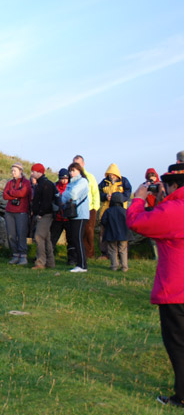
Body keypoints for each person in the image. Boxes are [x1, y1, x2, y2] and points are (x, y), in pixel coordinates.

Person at [125, 162, 184, 408]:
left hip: (176, 288)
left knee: (179, 345)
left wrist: (138, 199)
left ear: (172, 185)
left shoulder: (175, 208)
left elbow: (139, 223)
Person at [98, 163, 132, 259]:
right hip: (106, 211)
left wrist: (117, 199)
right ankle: (105, 254)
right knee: (104, 233)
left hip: (121, 212)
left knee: (122, 234)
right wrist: (105, 196)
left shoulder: (124, 181)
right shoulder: (103, 182)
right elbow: (98, 193)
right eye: (109, 174)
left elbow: (127, 194)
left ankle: (122, 255)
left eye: (112, 174)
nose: (111, 176)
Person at [61, 162, 90, 273]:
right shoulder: (72, 183)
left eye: (74, 170)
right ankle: (80, 264)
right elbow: (65, 197)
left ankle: (82, 265)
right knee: (74, 239)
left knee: (78, 239)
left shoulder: (82, 181)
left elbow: (72, 194)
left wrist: (67, 195)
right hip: (73, 214)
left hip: (81, 214)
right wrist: (67, 196)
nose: (71, 173)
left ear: (79, 171)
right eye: (70, 170)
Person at [3, 162, 32, 265]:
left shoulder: (26, 183)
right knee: (11, 234)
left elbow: (23, 193)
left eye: (14, 170)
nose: (12, 173)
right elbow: (5, 195)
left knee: (21, 234)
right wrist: (15, 195)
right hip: (9, 212)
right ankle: (15, 255)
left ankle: (23, 256)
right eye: (12, 170)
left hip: (21, 212)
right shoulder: (10, 183)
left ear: (21, 171)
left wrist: (11, 193)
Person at [72, 155, 99, 259]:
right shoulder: (72, 176)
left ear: (83, 164)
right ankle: (79, 253)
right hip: (76, 208)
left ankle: (90, 253)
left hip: (89, 208)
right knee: (78, 232)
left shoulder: (90, 177)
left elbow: (95, 192)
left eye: (78, 164)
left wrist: (95, 207)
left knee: (89, 231)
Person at [30, 163, 56, 269]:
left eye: (33, 171)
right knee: (46, 238)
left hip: (45, 215)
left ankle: (40, 262)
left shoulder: (46, 185)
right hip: (43, 214)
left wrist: (40, 214)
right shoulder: (42, 184)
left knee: (39, 236)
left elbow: (46, 202)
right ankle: (50, 262)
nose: (31, 173)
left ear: (39, 172)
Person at [50, 168, 75, 264]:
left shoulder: (71, 187)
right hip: (57, 217)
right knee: (52, 238)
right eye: (61, 178)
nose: (64, 180)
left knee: (71, 240)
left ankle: (72, 259)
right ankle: (49, 257)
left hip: (68, 217)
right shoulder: (54, 187)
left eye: (65, 178)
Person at [100, 192, 129, 272]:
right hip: (123, 234)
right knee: (123, 250)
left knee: (112, 249)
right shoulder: (125, 211)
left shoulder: (108, 211)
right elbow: (130, 221)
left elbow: (103, 221)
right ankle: (124, 267)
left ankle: (114, 266)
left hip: (110, 233)